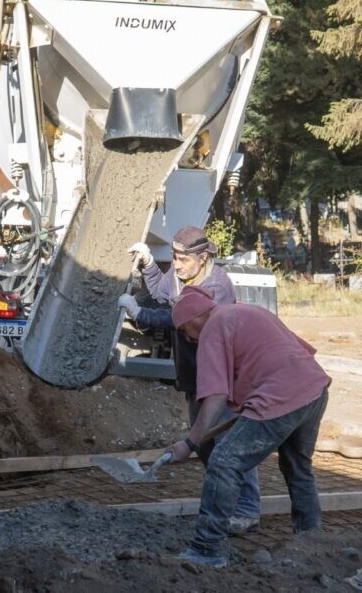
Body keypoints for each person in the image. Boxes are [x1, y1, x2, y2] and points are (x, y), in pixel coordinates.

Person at [165, 285, 331, 568]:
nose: (188, 339)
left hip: (281, 395)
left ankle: (205, 551)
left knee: (224, 461)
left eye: (184, 332)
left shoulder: (212, 330)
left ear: (191, 321)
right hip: (314, 389)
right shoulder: (248, 310)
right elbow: (298, 351)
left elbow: (214, 397)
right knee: (297, 468)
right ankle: (311, 541)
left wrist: (190, 443)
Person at [116, 225, 261, 533]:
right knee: (206, 444)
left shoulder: (217, 288)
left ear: (203, 256)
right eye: (174, 257)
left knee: (229, 443)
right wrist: (150, 266)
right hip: (195, 373)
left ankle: (247, 507)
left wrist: (140, 316)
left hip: (223, 376)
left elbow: (177, 317)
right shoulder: (183, 276)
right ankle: (224, 496)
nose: (177, 265)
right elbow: (161, 292)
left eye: (182, 259)